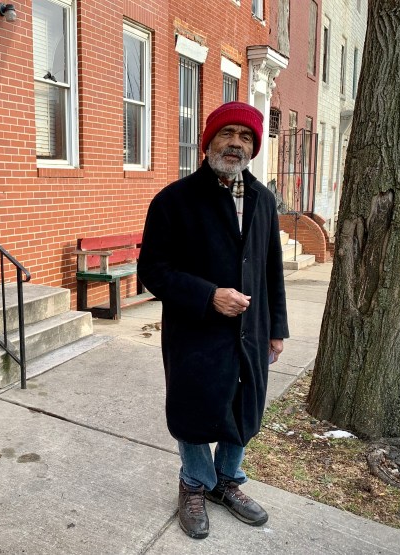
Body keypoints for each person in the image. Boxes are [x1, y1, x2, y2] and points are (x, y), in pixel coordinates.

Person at [137, 101, 289, 539]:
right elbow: (153, 270)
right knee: (195, 408)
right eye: (227, 134)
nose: (235, 143)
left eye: (245, 137)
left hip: (251, 331)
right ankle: (194, 482)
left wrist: (276, 327)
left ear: (254, 147)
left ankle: (227, 479)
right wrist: (208, 296)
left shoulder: (263, 200)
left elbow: (271, 269)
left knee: (243, 409)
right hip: (195, 331)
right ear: (209, 141)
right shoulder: (175, 201)